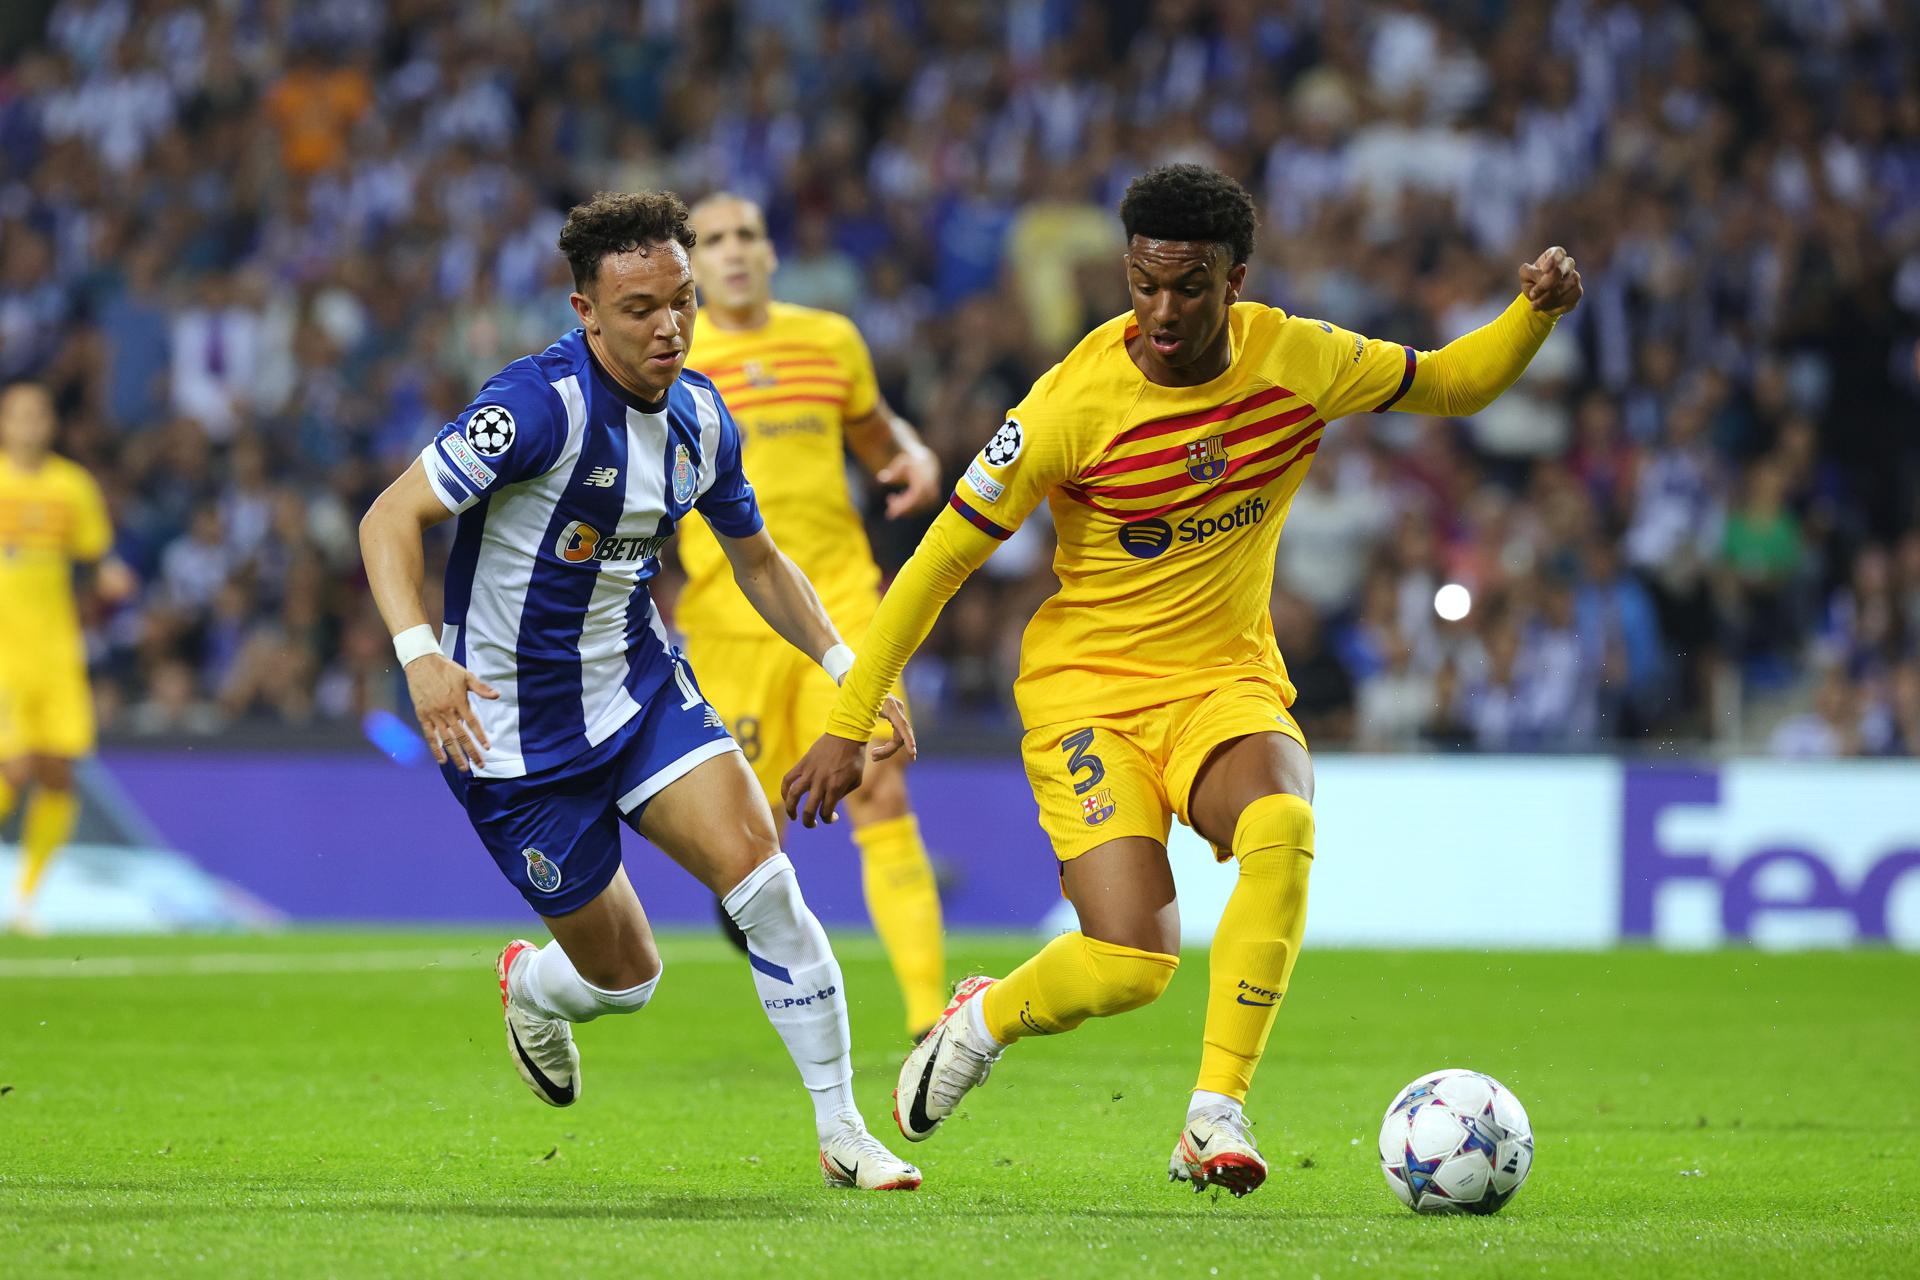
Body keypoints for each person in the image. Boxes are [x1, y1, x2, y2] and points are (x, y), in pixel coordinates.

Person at [784, 164, 1582, 1197]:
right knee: (1131, 964)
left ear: (1233, 280)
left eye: (1190, 286)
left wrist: (1531, 313)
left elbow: (1452, 381)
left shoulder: (1300, 357)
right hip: (1087, 696)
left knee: (1284, 827)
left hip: (1224, 682)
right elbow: (936, 564)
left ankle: (1215, 1111)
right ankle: (982, 1016)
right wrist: (850, 721)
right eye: (1144, 283)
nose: (1162, 310)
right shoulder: (1069, 405)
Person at [358, 191, 921, 1191]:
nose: (669, 327)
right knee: (629, 982)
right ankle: (532, 982)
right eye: (640, 309)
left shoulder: (703, 415)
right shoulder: (535, 408)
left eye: (682, 301)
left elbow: (759, 562)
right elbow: (388, 518)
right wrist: (418, 655)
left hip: (637, 692)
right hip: (510, 737)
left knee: (768, 886)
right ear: (585, 311)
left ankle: (843, 1131)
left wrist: (849, 669)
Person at [680, 192, 948, 1038]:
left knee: (881, 785)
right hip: (731, 624)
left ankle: (929, 1021)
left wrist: (909, 454)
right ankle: (784, 972)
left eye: (745, 236)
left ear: (770, 253)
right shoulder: (673, 353)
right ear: (690, 265)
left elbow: (874, 433)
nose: (732, 252)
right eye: (712, 240)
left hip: (839, 603)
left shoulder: (830, 339)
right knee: (747, 847)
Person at [0, 381, 135, 933]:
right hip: (4, 650)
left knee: (58, 774)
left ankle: (26, 899)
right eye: (19, 414)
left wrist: (111, 576)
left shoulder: (71, 486)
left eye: (39, 414)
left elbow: (96, 555)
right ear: (4, 422)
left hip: (56, 651)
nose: (30, 423)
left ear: (51, 424)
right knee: (14, 765)